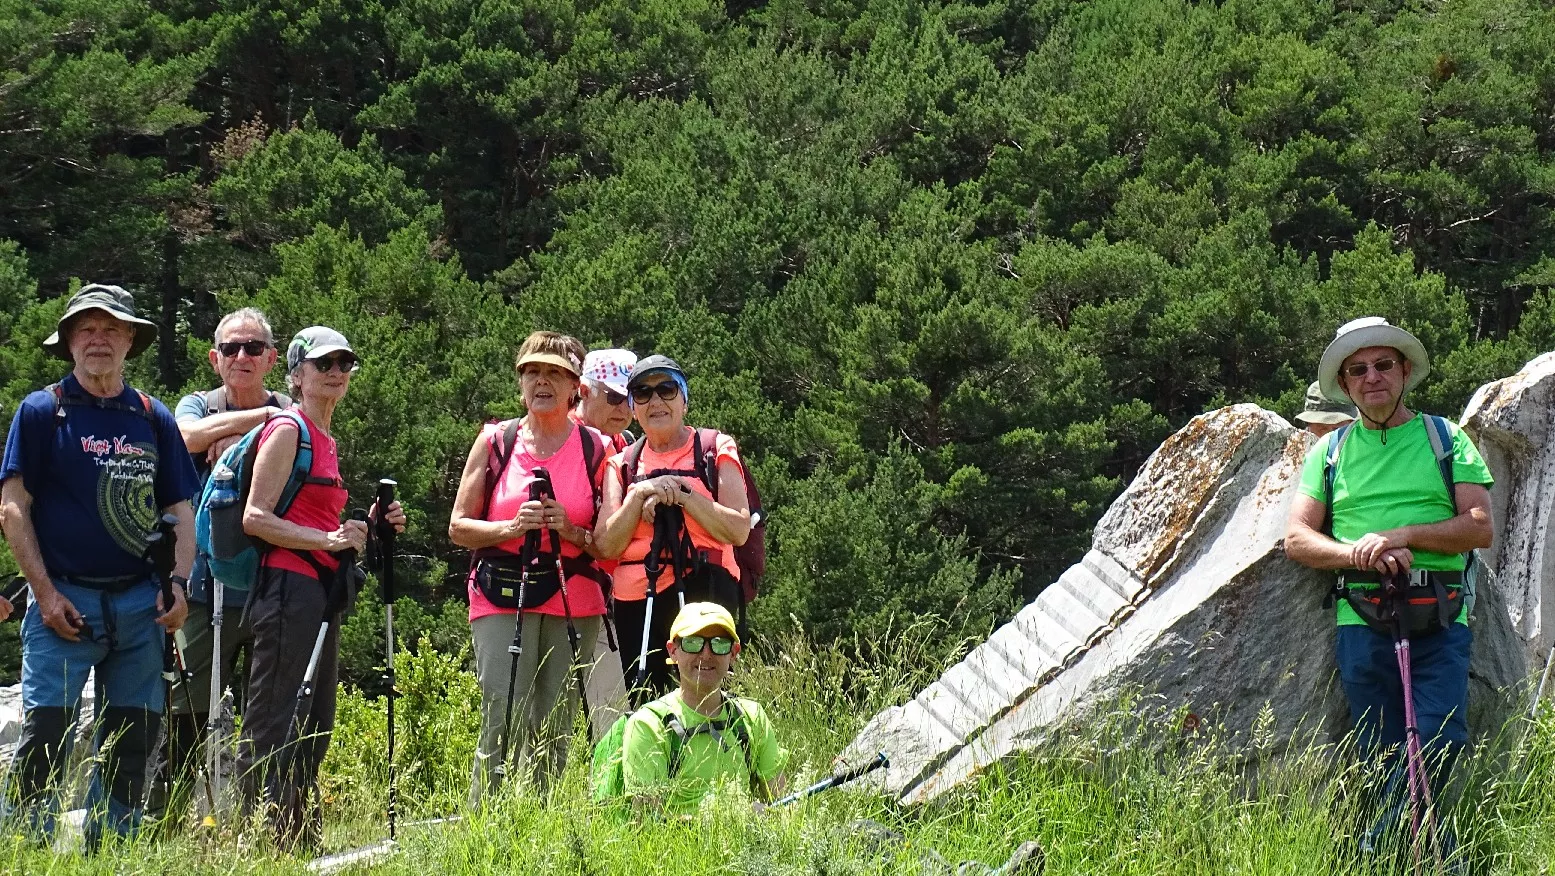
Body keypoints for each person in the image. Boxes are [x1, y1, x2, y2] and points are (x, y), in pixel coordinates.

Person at [1284, 316, 1493, 854]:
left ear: (1403, 371)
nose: (1371, 377)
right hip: (1362, 617)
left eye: (1382, 365)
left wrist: (1402, 536)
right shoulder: (1329, 453)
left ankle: (1377, 853)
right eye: (1357, 370)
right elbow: (1298, 538)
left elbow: (1479, 526)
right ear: (1345, 383)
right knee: (1379, 751)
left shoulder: (1445, 439)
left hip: (1440, 615)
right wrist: (1360, 553)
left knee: (1440, 740)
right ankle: (1425, 856)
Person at [0, 284, 198, 846]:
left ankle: (110, 849)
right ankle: (26, 849)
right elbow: (13, 507)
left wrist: (179, 583)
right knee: (46, 735)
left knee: (132, 738)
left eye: (112, 328)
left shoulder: (152, 416)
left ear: (131, 340)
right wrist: (43, 594)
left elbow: (181, 509)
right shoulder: (43, 411)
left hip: (141, 605)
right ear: (68, 342)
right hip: (64, 601)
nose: (98, 339)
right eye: (86, 329)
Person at [236, 326, 405, 850]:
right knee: (275, 715)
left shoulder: (324, 438)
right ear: (297, 375)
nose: (336, 372)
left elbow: (315, 519)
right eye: (323, 364)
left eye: (344, 363)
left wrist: (368, 525)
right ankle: (259, 839)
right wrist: (328, 540)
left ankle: (297, 836)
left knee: (314, 718)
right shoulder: (289, 429)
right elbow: (255, 517)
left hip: (317, 590)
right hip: (287, 587)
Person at [449, 331, 610, 803]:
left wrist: (570, 530)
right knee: (502, 710)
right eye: (533, 372)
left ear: (575, 386)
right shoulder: (496, 440)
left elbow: (608, 540)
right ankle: (487, 820)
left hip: (574, 591)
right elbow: (458, 526)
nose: (543, 382)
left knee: (556, 720)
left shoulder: (597, 448)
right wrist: (511, 528)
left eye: (555, 373)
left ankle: (541, 819)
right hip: (501, 589)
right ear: (520, 381)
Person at [152, 307, 291, 819]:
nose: (241, 356)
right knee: (187, 710)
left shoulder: (289, 411)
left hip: (272, 584)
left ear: (271, 358)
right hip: (202, 588)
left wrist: (232, 438)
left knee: (267, 714)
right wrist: (263, 424)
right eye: (231, 348)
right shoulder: (200, 405)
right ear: (215, 358)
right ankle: (165, 825)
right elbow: (185, 437)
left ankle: (263, 824)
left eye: (253, 348)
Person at [596, 355, 752, 703]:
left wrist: (682, 494)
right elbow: (605, 544)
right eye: (643, 393)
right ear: (633, 408)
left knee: (706, 696)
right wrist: (639, 495)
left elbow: (738, 529)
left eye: (666, 389)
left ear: (684, 400)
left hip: (706, 585)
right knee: (646, 700)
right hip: (638, 598)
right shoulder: (621, 465)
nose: (656, 401)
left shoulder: (714, 449)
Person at [621, 602, 784, 815]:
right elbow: (647, 821)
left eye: (719, 643)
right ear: (673, 651)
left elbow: (783, 805)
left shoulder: (752, 717)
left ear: (733, 653)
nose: (706, 654)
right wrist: (730, 819)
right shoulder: (648, 724)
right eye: (693, 642)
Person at [571, 348, 637, 739]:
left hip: (613, 596)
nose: (624, 408)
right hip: (570, 594)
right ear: (584, 390)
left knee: (612, 714)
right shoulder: (565, 441)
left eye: (631, 398)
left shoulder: (624, 444)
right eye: (613, 397)